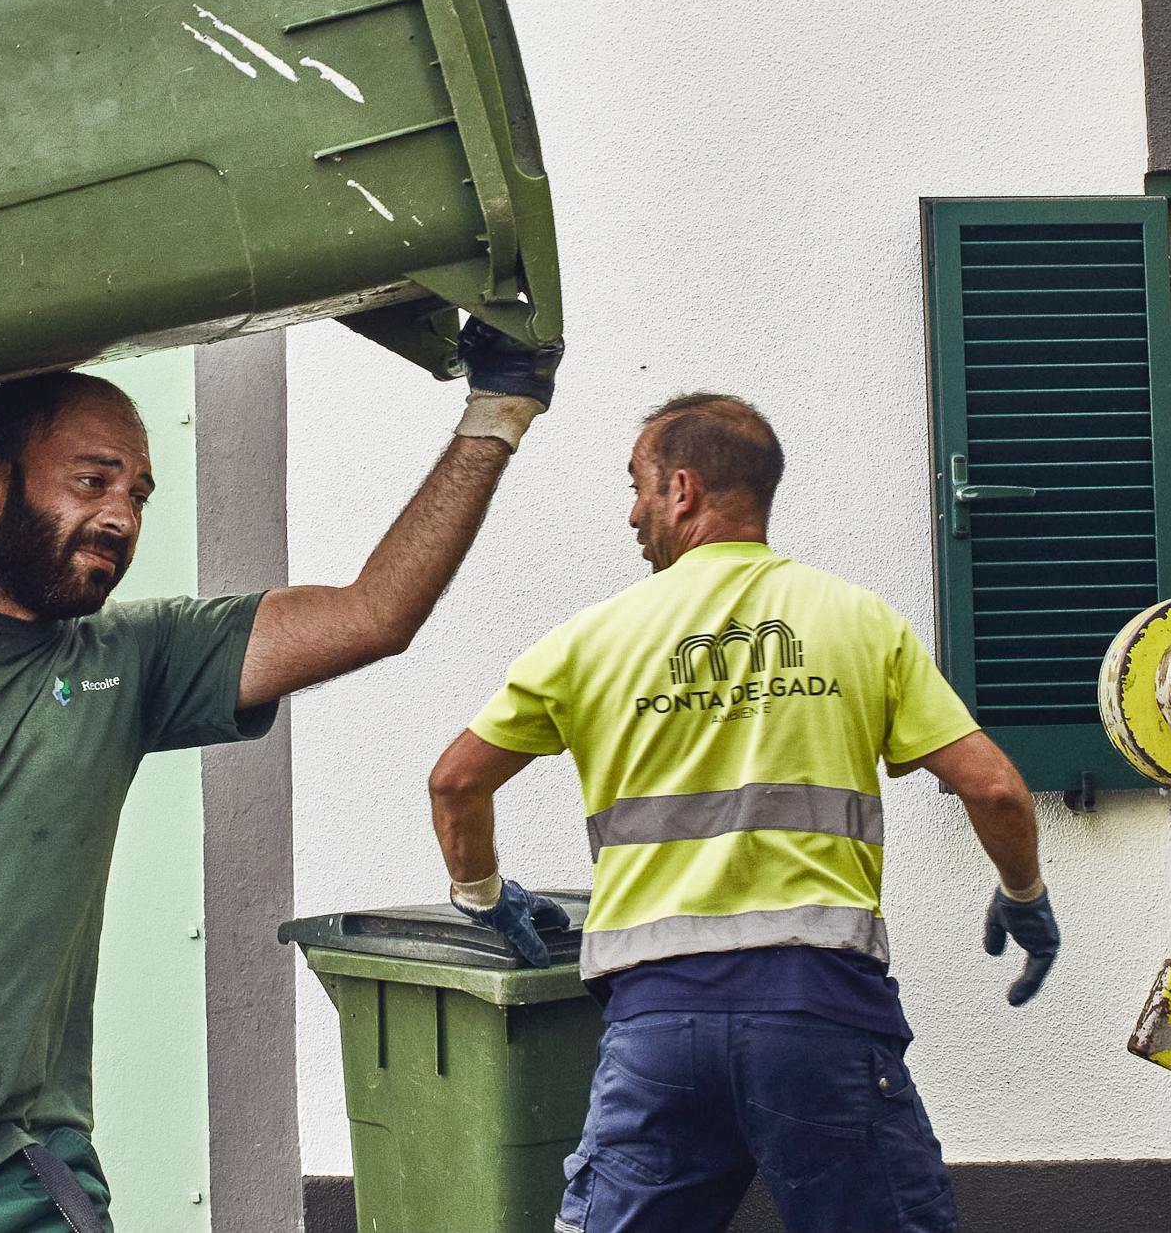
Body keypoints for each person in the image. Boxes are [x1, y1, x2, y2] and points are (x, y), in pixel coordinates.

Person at [0, 318, 561, 1233]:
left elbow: (374, 613)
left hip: (19, 1176)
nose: (122, 515)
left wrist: (497, 411)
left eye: (139, 493)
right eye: (93, 480)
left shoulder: (140, 655)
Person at [426, 392, 1059, 1233]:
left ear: (682, 491)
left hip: (655, 1025)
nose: (632, 514)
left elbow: (456, 783)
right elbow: (995, 789)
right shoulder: (860, 622)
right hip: (820, 1012)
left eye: (638, 487)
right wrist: (1023, 895)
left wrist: (484, 896)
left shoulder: (589, 640)